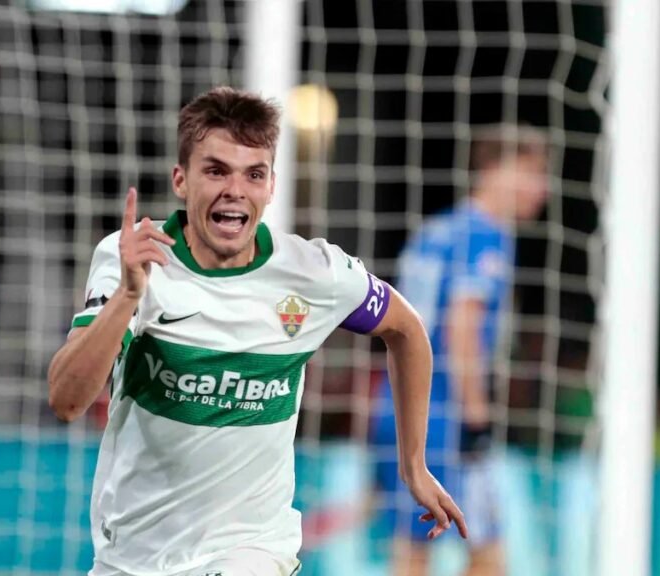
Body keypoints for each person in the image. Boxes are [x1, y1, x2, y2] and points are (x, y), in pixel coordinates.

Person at [48, 86, 467, 576]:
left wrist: (412, 464)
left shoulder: (316, 272)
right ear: (181, 180)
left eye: (254, 174)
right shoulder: (132, 259)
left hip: (252, 550)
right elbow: (67, 401)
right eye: (216, 170)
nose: (235, 190)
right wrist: (126, 296)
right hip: (133, 557)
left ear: (271, 187)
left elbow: (407, 329)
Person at [371, 125, 549, 576]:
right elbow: (461, 326)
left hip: (397, 407)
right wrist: (476, 418)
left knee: (413, 552)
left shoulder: (434, 231)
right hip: (444, 416)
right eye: (530, 173)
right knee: (488, 557)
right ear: (492, 170)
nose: (540, 189)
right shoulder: (485, 235)